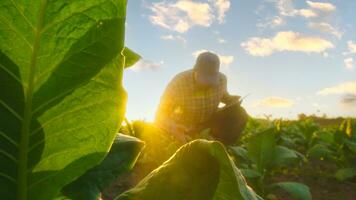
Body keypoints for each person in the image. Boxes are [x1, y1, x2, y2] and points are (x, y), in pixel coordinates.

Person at [155, 51, 248, 145]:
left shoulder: (222, 80)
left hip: (208, 123)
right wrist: (173, 128)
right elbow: (161, 114)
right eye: (203, 79)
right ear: (195, 70)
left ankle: (221, 146)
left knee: (239, 113)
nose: (206, 85)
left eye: (210, 80)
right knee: (163, 138)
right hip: (184, 127)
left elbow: (223, 96)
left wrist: (231, 100)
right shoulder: (178, 83)